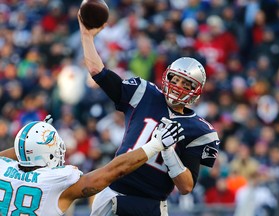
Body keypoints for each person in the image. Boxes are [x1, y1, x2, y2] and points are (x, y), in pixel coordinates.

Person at [78, 12, 220, 216]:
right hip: (113, 192)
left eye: (186, 83)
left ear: (196, 91)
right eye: (175, 79)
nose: (178, 86)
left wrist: (170, 153)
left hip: (152, 204)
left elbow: (186, 187)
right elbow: (97, 71)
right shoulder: (145, 93)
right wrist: (87, 36)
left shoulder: (200, 130)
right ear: (166, 76)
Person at [0, 116, 184, 216]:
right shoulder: (57, 180)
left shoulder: (3, 167)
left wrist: (32, 139)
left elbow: (17, 151)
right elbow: (113, 171)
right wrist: (155, 145)